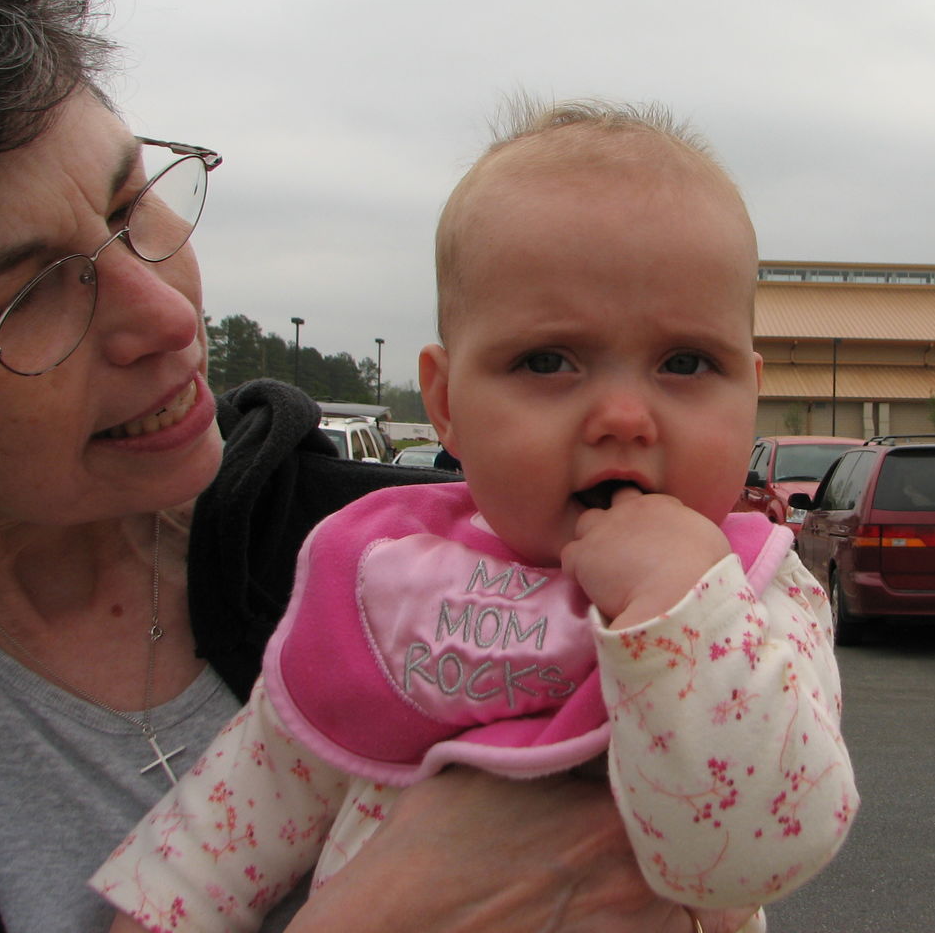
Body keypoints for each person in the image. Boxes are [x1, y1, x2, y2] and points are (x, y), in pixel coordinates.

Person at [0, 0, 751, 931]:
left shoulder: (390, 546)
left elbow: (753, 827)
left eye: (130, 205)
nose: (167, 312)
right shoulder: (369, 601)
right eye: (28, 298)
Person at [92, 99, 860, 933]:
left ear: (750, 393)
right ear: (446, 403)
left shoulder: (751, 596)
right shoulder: (391, 580)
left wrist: (683, 606)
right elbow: (236, 813)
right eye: (546, 361)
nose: (622, 417)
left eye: (685, 362)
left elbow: (753, 850)